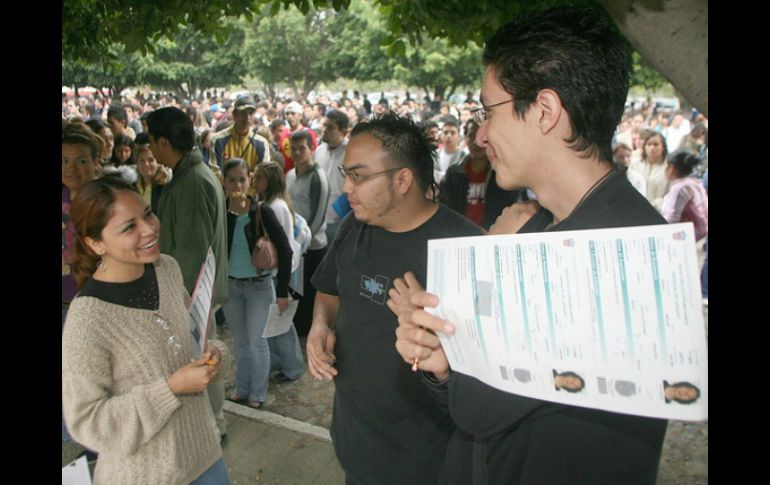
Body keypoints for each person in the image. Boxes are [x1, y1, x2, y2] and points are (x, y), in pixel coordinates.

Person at [392, 7, 668, 484]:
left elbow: (478, 408)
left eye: (487, 111)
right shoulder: (551, 226)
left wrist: (492, 260)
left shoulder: (611, 253)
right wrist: (441, 364)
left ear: (544, 111)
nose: (479, 134)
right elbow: (480, 405)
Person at [306, 113, 483, 484]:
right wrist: (320, 325)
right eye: (345, 176)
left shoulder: (465, 252)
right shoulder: (355, 226)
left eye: (358, 176)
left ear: (402, 179)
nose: (346, 190)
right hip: (354, 448)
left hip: (425, 464)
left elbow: (482, 390)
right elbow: (329, 290)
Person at [62, 177, 231, 485]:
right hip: (145, 476)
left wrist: (215, 354)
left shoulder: (166, 269)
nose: (150, 228)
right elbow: (87, 422)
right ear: (95, 243)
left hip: (206, 457)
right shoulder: (87, 319)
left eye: (149, 214)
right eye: (129, 227)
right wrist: (170, 389)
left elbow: (199, 335)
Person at [146, 106, 230, 442]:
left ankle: (214, 427)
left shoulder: (193, 181)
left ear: (165, 142)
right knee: (201, 357)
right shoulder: (186, 175)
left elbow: (192, 254)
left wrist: (175, 299)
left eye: (152, 142)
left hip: (194, 294)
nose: (150, 149)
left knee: (202, 359)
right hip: (194, 292)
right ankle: (214, 425)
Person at [221, 158, 294, 408]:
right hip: (232, 286)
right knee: (240, 342)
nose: (237, 185)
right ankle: (242, 387)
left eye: (242, 179)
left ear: (249, 179)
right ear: (224, 181)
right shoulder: (221, 212)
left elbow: (285, 250)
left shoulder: (262, 211)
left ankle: (257, 393)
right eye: (231, 179)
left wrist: (282, 291)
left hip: (259, 287)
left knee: (257, 341)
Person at [253, 161, 307, 382]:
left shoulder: (274, 206)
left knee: (281, 323)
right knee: (276, 322)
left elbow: (282, 247)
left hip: (278, 273)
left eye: (260, 178)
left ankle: (293, 366)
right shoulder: (278, 203)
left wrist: (282, 287)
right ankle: (282, 361)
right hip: (282, 269)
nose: (255, 181)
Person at [438, 118, 522, 230]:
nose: (476, 142)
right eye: (471, 135)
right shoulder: (454, 174)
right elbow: (445, 208)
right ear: (465, 139)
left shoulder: (502, 173)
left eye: (482, 136)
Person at [286, 130, 329, 337]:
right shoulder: (290, 175)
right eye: (293, 148)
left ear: (312, 148)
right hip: (293, 246)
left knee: (308, 295)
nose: (296, 152)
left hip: (311, 248)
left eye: (301, 148)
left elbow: (319, 216)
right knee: (295, 292)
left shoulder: (318, 179)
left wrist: (301, 244)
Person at [661, 150, 708, 241]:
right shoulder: (695, 182)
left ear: (671, 168)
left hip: (689, 239)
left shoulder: (680, 188)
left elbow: (671, 220)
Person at [133, 133, 171, 212]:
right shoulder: (132, 186)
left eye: (151, 160)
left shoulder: (165, 186)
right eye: (142, 161)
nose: (146, 164)